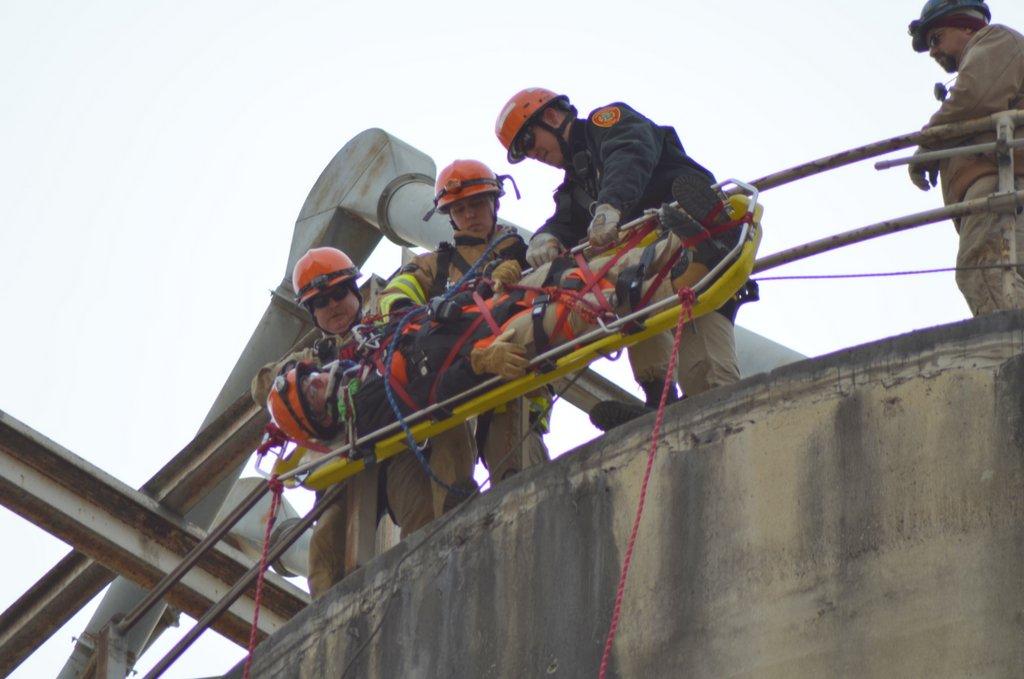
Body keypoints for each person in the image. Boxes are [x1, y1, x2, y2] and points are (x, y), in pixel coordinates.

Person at [266, 196, 743, 459]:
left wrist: (493, 284)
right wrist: (480, 359)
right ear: (323, 415)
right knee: (587, 307)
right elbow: (430, 392)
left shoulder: (361, 353)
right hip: (490, 348)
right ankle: (691, 269)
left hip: (482, 313)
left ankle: (683, 245)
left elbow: (413, 319)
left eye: (309, 378)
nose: (317, 379)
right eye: (310, 392)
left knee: (574, 275)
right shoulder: (367, 402)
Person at [494, 88, 741, 428]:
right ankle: (660, 403)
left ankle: (725, 424)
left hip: (696, 243)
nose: (534, 154)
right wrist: (544, 238)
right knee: (630, 295)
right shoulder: (576, 186)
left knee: (708, 380)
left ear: (551, 117)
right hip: (652, 264)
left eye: (529, 140)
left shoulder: (606, 124)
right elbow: (565, 220)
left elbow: (629, 154)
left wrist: (612, 205)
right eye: (525, 152)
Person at [379, 159, 549, 483]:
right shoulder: (433, 266)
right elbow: (393, 298)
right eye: (459, 209)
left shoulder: (526, 251)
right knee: (449, 462)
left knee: (515, 461)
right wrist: (422, 315)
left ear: (494, 203)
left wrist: (521, 271)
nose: (469, 215)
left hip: (515, 375)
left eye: (477, 204)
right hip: (454, 373)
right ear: (450, 216)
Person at [907, 0, 1024, 315]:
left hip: (1004, 184)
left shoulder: (995, 40)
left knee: (982, 269)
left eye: (936, 39)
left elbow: (973, 97)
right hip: (1006, 188)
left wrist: (928, 144)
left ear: (966, 26)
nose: (933, 52)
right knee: (1002, 273)